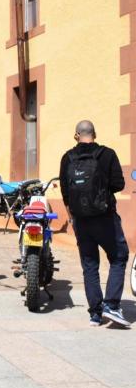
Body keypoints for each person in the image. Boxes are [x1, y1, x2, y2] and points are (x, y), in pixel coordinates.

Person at [59, 120, 131, 328]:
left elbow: (65, 192)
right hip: (105, 218)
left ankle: (96, 314)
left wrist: (72, 218)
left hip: (80, 220)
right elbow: (119, 184)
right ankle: (112, 305)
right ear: (95, 134)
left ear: (76, 135)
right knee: (119, 256)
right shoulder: (107, 154)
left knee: (90, 264)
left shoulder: (67, 158)